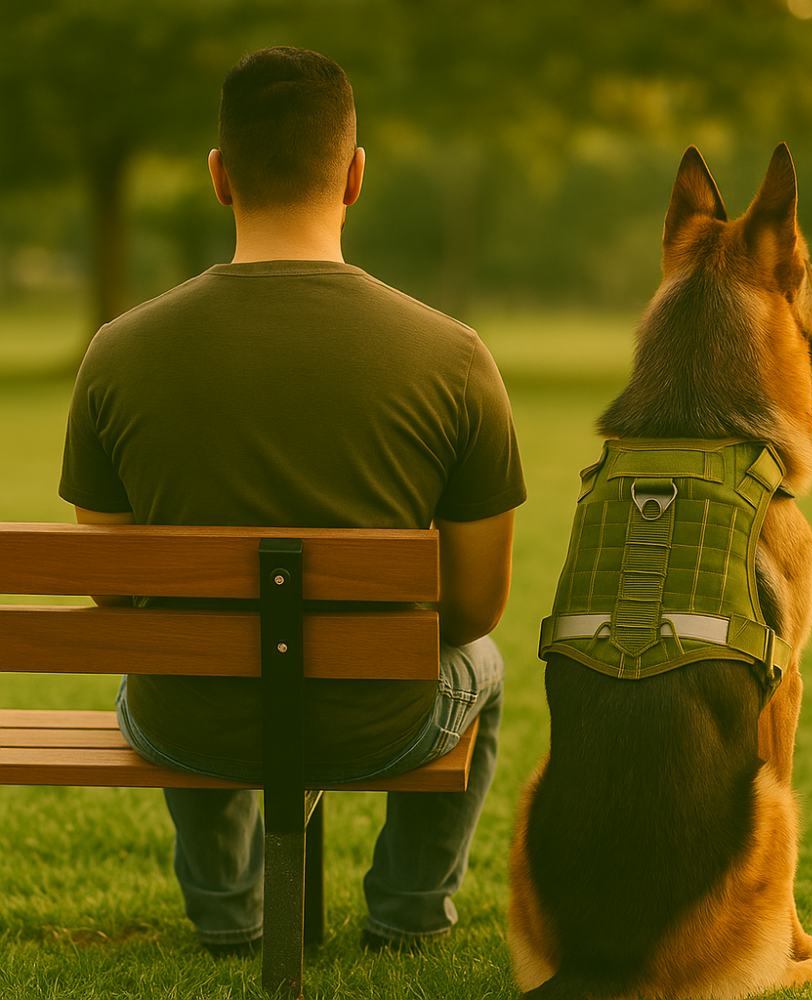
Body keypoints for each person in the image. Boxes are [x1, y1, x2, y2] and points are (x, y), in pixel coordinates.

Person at [58, 46, 526, 956]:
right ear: (355, 177)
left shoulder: (117, 349)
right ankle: (408, 909)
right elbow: (471, 610)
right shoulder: (455, 356)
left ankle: (230, 914)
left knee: (170, 654)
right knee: (488, 664)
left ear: (219, 176)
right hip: (379, 726)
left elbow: (113, 595)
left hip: (189, 722)